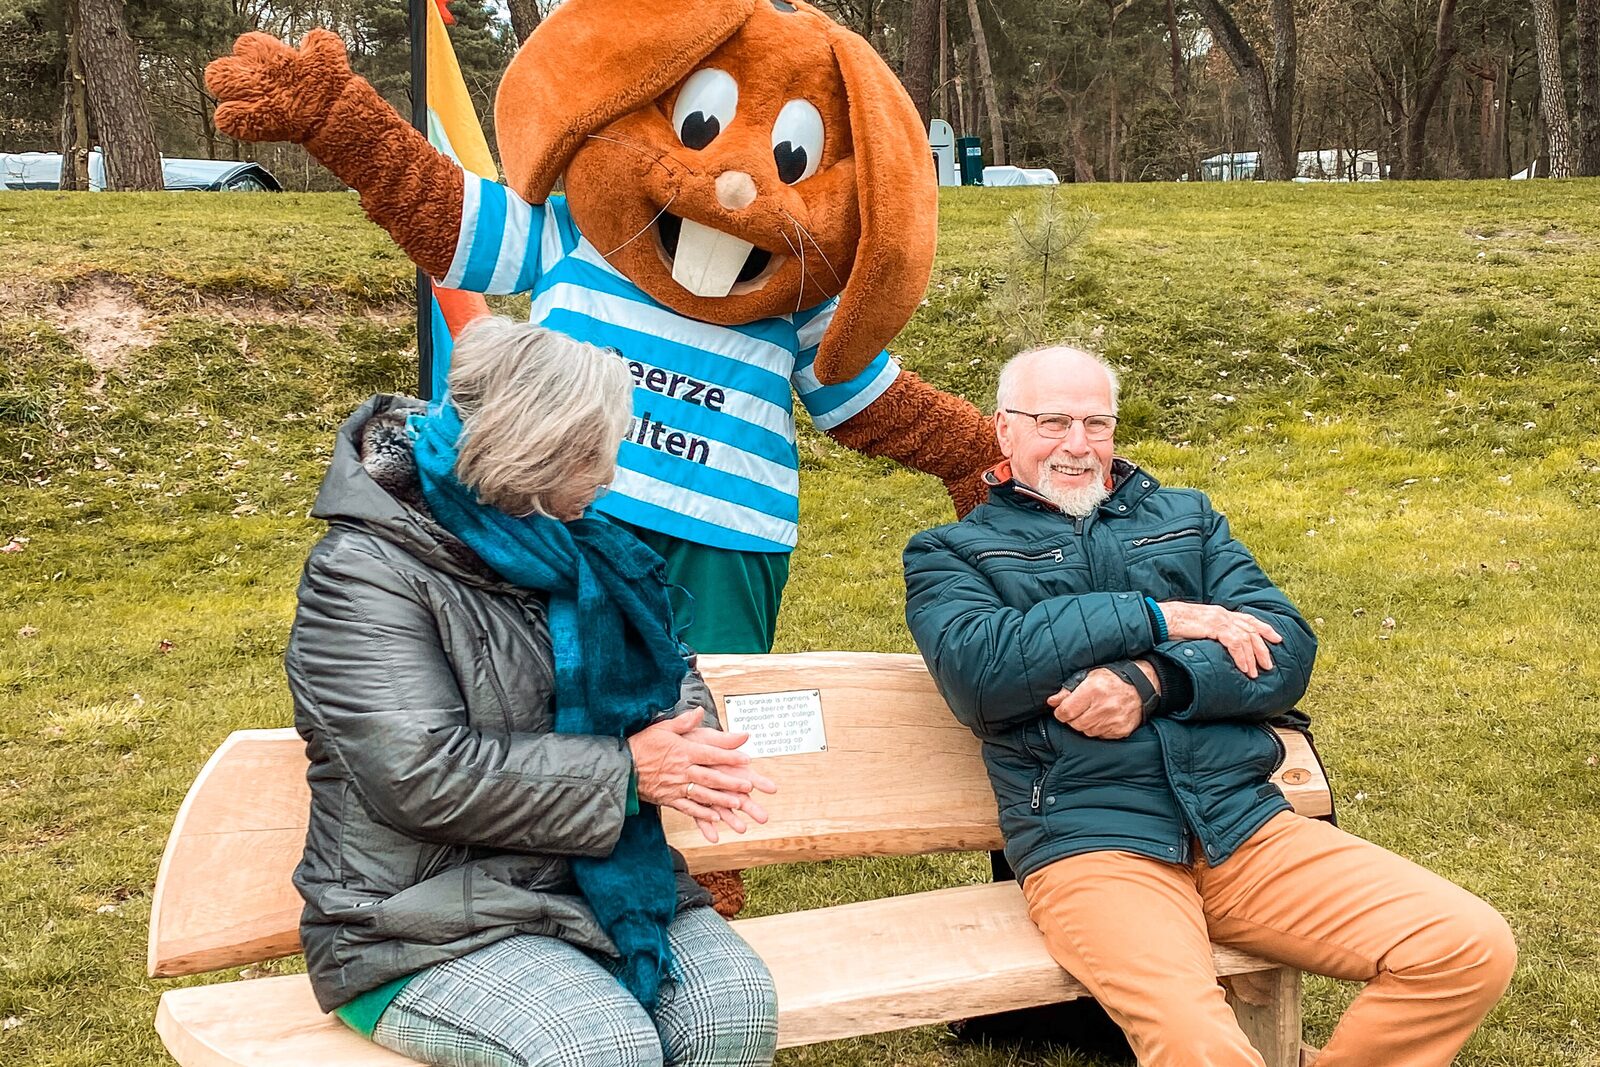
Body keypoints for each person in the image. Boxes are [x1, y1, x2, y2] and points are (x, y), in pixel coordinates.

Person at [902, 345, 1516, 1067]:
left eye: (1096, 423)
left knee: (1466, 945)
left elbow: (1284, 649)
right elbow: (984, 670)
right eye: (1053, 421)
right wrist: (1163, 616)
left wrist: (1154, 680)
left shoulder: (1186, 519)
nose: (1077, 445)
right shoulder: (953, 552)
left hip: (1240, 826)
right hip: (1095, 847)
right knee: (1200, 1046)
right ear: (1005, 430)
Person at [284, 316, 779, 1067]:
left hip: (592, 880)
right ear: (529, 451)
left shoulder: (578, 540)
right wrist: (628, 772)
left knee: (732, 1009)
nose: (608, 475)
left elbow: (672, 668)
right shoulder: (361, 574)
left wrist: (687, 733)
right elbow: (419, 774)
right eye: (591, 453)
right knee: (596, 1045)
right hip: (411, 920)